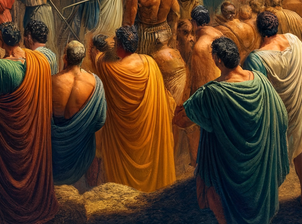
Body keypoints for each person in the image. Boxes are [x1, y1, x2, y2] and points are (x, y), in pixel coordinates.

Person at [176, 37, 289, 224]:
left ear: (218, 60)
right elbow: (282, 117)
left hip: (227, 168)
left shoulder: (210, 93)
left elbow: (181, 121)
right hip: (258, 170)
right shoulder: (260, 81)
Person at [0, 21, 58, 224]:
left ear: (0, 41)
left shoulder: (0, 67)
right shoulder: (39, 61)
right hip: (30, 128)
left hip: (3, 130)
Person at [91, 25, 176, 193]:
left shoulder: (108, 68)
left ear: (120, 46)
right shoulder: (149, 63)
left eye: (115, 42)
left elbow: (95, 56)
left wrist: (99, 46)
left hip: (123, 139)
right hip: (147, 134)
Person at [245, 10, 302, 208]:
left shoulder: (256, 59)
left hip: (274, 116)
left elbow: (257, 93)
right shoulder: (294, 41)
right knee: (301, 149)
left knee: (268, 158)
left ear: (259, 31)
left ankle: (267, 203)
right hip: (297, 108)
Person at [51, 39, 106, 190]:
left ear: (65, 58)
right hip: (81, 150)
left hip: (55, 150)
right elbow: (100, 121)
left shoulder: (51, 81)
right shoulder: (95, 83)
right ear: (83, 59)